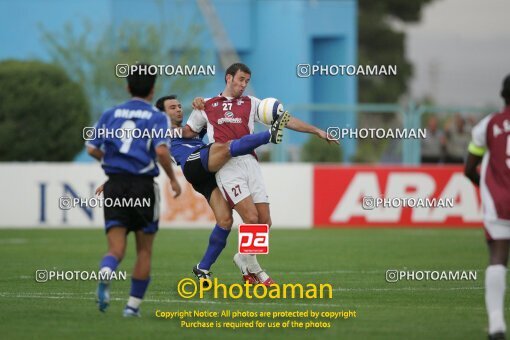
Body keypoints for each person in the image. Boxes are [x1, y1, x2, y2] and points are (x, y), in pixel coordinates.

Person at [186, 62, 335, 285]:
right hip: (227, 166)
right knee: (251, 218)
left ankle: (243, 258)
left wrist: (316, 131)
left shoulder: (253, 104)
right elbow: (188, 133)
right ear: (228, 78)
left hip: (251, 165)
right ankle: (253, 269)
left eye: (247, 81)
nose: (244, 85)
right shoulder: (206, 105)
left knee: (265, 221)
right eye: (240, 80)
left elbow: (285, 119)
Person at [154, 94, 289, 285]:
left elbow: (207, 122)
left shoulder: (189, 129)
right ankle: (269, 135)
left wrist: (202, 104)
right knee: (225, 148)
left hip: (207, 170)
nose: (178, 109)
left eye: (179, 106)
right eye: (172, 107)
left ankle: (203, 267)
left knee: (225, 220)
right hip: (194, 163)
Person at [86, 64, 181, 317]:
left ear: (128, 87)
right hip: (142, 187)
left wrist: (111, 163)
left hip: (115, 186)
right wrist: (173, 179)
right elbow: (161, 151)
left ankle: (107, 270)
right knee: (144, 250)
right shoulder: (157, 116)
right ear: (152, 90)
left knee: (116, 249)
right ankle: (131, 308)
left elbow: (92, 149)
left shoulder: (110, 114)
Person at [464, 74, 510, 340]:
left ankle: (496, 326)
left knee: (498, 258)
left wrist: (481, 184)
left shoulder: (489, 124)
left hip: (500, 200)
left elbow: (470, 167)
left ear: (503, 96)